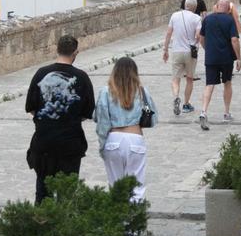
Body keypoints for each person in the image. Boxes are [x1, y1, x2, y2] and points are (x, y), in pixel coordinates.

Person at [24, 34, 96, 200]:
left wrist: (49, 117)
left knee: (42, 193)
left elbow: (31, 107)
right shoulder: (82, 77)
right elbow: (88, 112)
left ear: (57, 50)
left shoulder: (41, 73)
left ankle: (42, 225)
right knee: (67, 196)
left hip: (44, 144)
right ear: (75, 53)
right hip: (70, 145)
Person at [94, 56, 155, 203]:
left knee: (116, 187)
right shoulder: (142, 92)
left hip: (113, 139)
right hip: (135, 138)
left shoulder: (105, 92)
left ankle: (118, 224)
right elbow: (152, 120)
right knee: (136, 187)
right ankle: (135, 225)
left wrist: (102, 147)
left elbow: (101, 121)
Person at [199, 0, 241, 128]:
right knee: (227, 83)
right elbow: (234, 40)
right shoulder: (229, 20)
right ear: (229, 8)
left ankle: (204, 111)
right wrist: (239, 58)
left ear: (216, 6)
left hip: (211, 57)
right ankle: (226, 112)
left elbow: (201, 38)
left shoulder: (207, 19)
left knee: (209, 84)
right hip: (226, 57)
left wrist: (208, 49)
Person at [163, 0, 203, 116]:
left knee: (175, 79)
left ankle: (176, 97)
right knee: (189, 79)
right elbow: (198, 36)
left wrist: (165, 49)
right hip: (190, 52)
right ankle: (186, 104)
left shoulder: (174, 16)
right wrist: (195, 42)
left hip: (176, 51)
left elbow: (169, 33)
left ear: (185, 6)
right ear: (195, 7)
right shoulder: (197, 18)